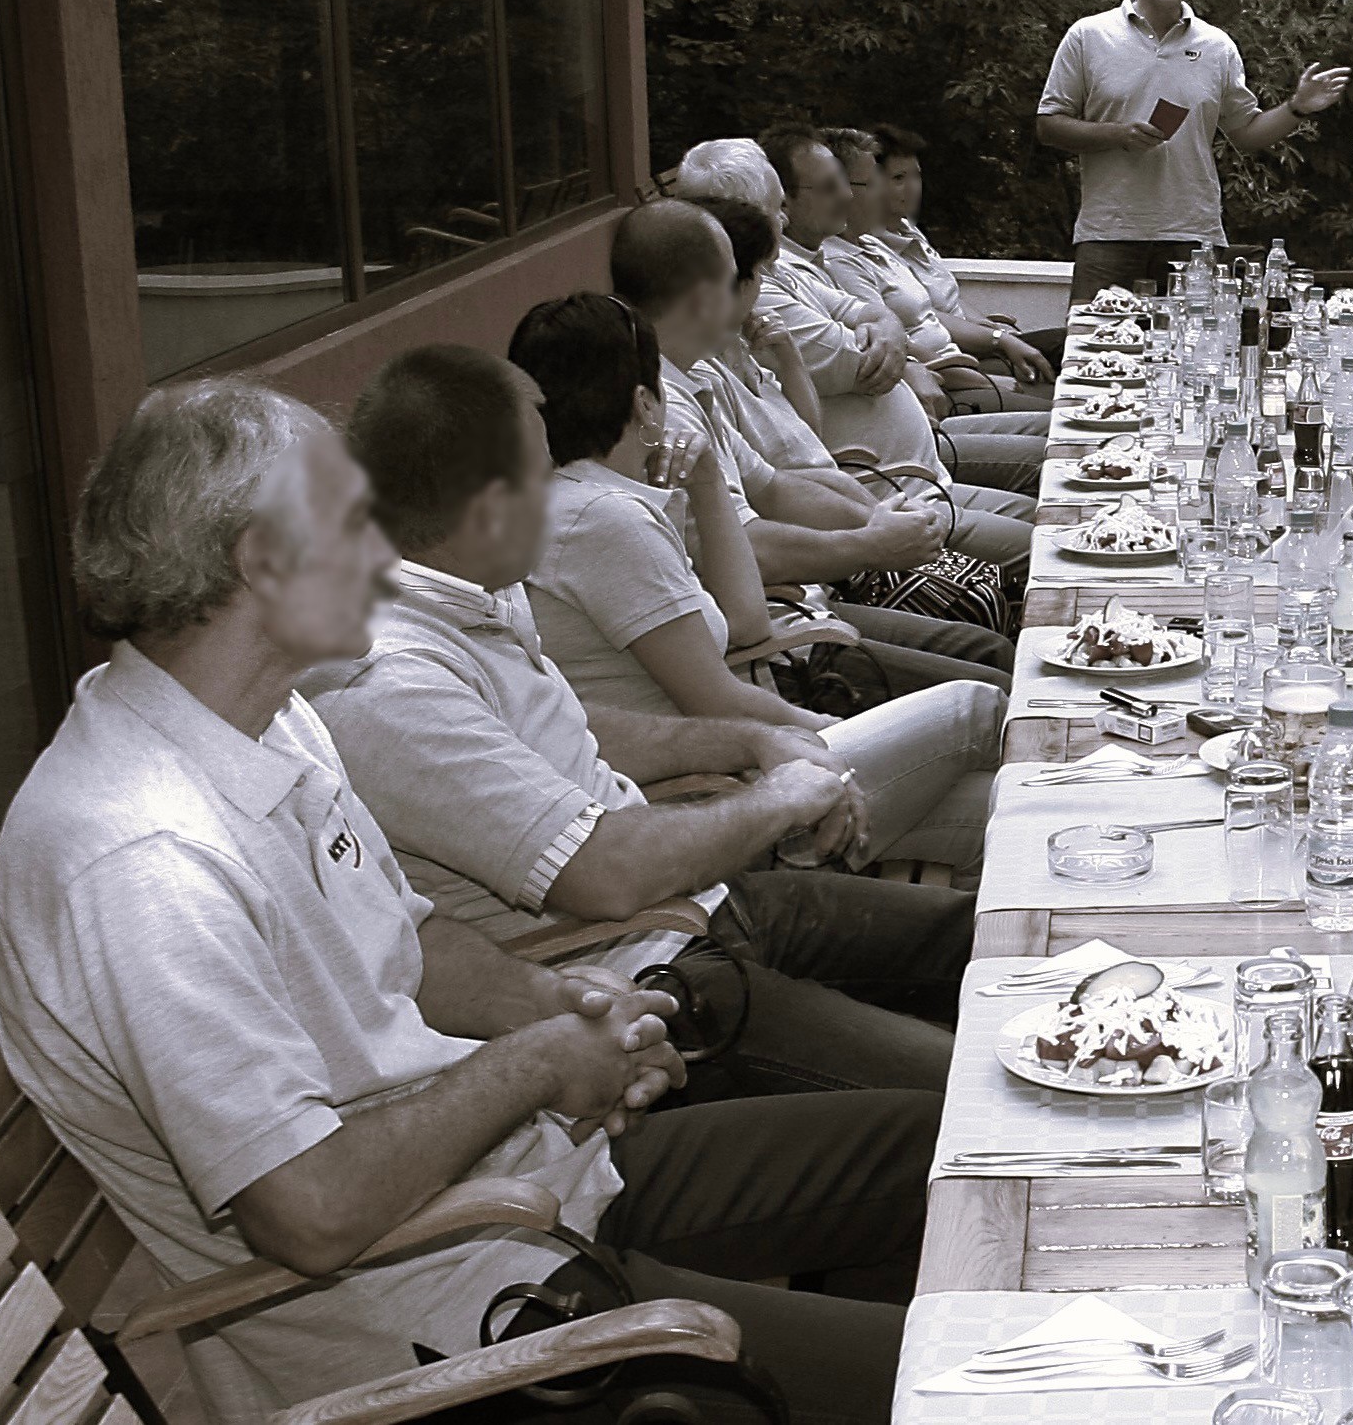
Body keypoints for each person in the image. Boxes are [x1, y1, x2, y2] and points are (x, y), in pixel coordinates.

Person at [0, 377, 933, 1423]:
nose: (388, 555)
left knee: (939, 1158)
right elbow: (310, 1212)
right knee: (963, 1385)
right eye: (356, 519)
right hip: (453, 1330)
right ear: (262, 559)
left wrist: (570, 1011)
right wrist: (533, 1065)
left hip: (537, 1195)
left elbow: (408, 942)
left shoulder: (270, 718)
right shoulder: (143, 859)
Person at [310, 344, 972, 1101]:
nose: (558, 493)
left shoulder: (470, 591)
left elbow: (577, 727)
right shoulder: (389, 682)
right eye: (543, 476)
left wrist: (757, 740)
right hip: (647, 981)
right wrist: (782, 799)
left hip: (706, 908)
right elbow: (604, 874)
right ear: (490, 508)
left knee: (975, 939)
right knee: (952, 1101)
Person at [507, 294, 999, 870]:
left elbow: (745, 624)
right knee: (978, 706)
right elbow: (712, 697)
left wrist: (708, 482)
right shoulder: (603, 518)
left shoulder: (589, 501)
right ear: (645, 404)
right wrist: (832, 731)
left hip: (737, 767)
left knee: (996, 812)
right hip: (715, 792)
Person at [613, 198, 1015, 693]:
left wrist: (877, 521)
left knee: (994, 632)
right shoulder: (661, 406)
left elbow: (775, 486)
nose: (751, 294)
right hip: (780, 649)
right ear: (703, 298)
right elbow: (746, 547)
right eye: (735, 278)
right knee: (989, 672)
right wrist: (870, 546)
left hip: (814, 596)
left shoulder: (695, 372)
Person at [668, 139, 1041, 545]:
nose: (784, 219)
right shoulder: (740, 320)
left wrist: (885, 340)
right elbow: (862, 368)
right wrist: (874, 536)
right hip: (892, 489)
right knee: (1045, 521)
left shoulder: (772, 285)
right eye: (777, 207)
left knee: (1050, 499)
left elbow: (876, 321)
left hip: (905, 486)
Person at [1035, 0, 1350, 300]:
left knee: (1192, 339)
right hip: (1109, 233)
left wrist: (1297, 107)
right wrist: (1118, 134)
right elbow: (1048, 125)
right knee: (1094, 336)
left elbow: (1246, 134)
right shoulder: (1089, 35)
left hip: (1192, 236)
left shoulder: (1217, 46)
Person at [760, 124, 1049, 496]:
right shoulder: (786, 278)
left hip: (922, 446)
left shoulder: (810, 265)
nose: (849, 195)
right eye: (834, 186)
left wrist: (993, 336)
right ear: (782, 203)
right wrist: (927, 362)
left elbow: (889, 322)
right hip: (899, 474)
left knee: (1063, 429)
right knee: (1059, 445)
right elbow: (868, 357)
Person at [820, 127, 1051, 413]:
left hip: (962, 364)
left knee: (1067, 381)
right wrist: (984, 376)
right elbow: (896, 348)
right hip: (942, 383)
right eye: (874, 183)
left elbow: (931, 312)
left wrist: (996, 335)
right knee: (1059, 410)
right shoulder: (840, 261)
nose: (884, 193)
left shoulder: (872, 244)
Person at [869, 122, 1061, 384]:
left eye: (916, 176)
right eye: (899, 178)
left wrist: (989, 326)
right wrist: (997, 340)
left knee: (1074, 341)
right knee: (1064, 355)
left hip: (980, 341)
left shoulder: (908, 229)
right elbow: (933, 317)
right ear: (872, 184)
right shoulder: (876, 249)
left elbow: (952, 300)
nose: (913, 187)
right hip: (962, 355)